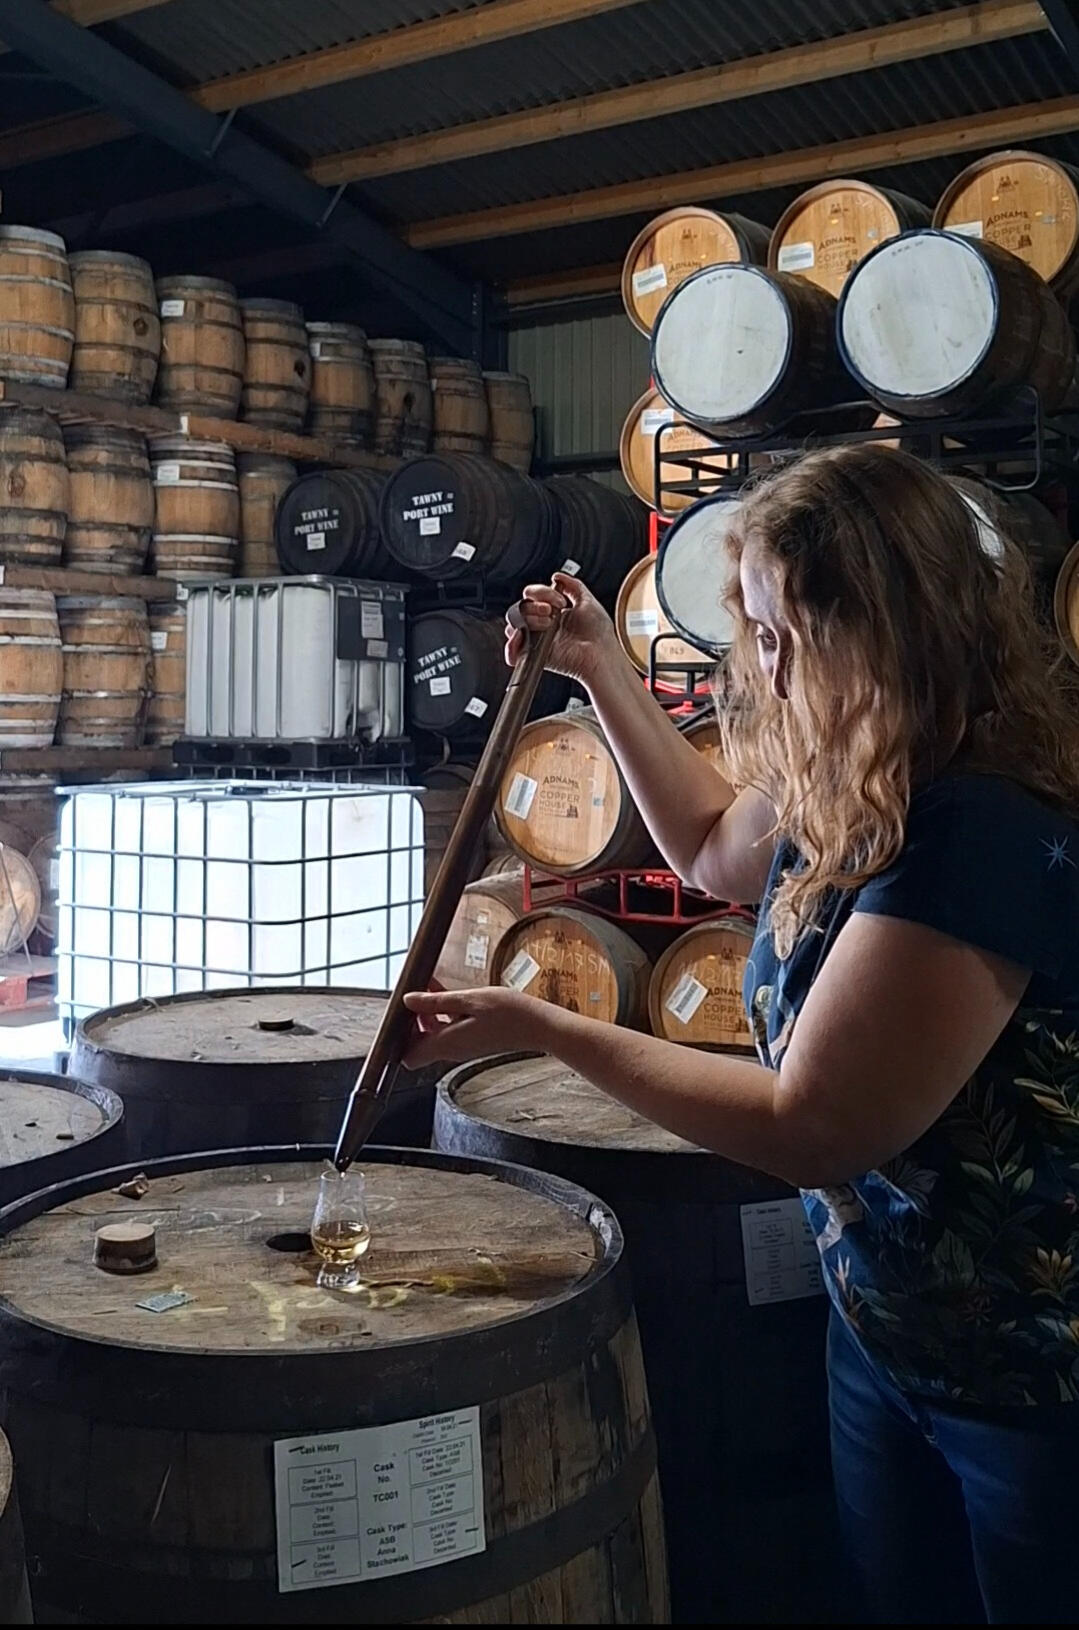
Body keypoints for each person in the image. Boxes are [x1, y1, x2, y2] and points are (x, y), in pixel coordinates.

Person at [404, 443, 1079, 1625]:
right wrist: (595, 663)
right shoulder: (854, 755)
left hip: (1026, 1383)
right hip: (889, 1333)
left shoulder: (974, 825)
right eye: (753, 630)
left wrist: (542, 1026)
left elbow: (810, 1125)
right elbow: (712, 846)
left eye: (785, 633)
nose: (763, 666)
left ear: (888, 624)